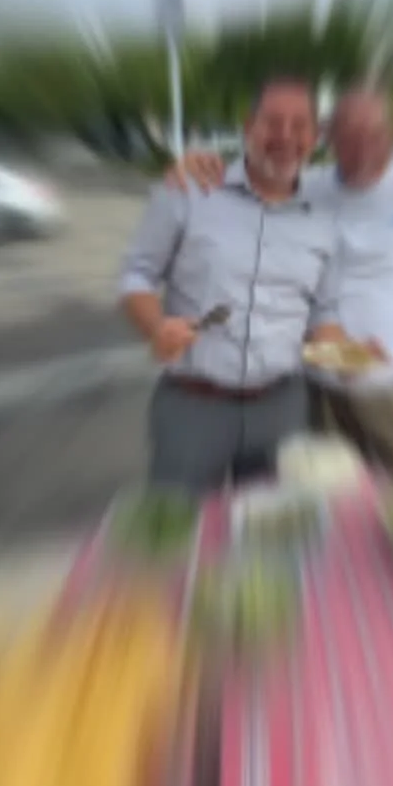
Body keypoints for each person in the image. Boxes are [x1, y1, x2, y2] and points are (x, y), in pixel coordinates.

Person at [164, 83, 393, 481]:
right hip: (318, 383)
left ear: (391, 135)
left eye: (374, 135)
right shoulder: (306, 188)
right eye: (349, 136)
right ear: (328, 136)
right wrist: (194, 169)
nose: (362, 148)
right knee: (319, 492)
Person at [119, 77, 343, 495]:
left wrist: (340, 352)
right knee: (177, 522)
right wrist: (155, 327)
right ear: (247, 126)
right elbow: (138, 273)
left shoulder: (325, 218)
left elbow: (324, 309)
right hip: (192, 407)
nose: (285, 136)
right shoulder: (189, 189)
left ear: (315, 137)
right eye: (271, 122)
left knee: (271, 524)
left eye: (300, 125)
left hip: (283, 407)